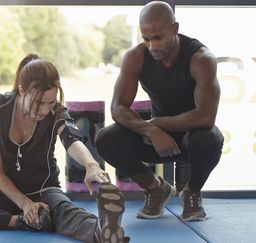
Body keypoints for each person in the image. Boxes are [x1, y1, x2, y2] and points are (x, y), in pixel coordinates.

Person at [0, 53, 129, 243]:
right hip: (3, 196)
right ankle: (17, 221)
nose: (45, 109)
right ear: (22, 90)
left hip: (45, 192)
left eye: (50, 102)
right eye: (39, 103)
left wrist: (91, 165)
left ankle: (102, 231)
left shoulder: (56, 111)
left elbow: (71, 140)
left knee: (66, 211)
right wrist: (25, 206)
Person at [95, 1, 224, 222]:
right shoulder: (136, 57)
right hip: (156, 137)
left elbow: (205, 116)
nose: (152, 45)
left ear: (174, 29)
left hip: (191, 136)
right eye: (146, 39)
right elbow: (118, 108)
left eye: (158, 37)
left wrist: (158, 124)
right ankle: (155, 188)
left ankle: (192, 192)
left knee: (210, 139)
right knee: (106, 139)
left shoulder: (200, 58)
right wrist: (150, 131)